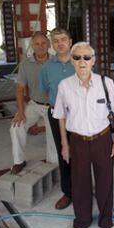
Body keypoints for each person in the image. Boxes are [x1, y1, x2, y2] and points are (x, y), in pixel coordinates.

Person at [53, 42, 114, 228]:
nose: (81, 61)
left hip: (102, 140)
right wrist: (65, 145)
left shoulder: (106, 83)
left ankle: (106, 221)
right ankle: (81, 220)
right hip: (77, 142)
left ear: (93, 60)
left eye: (86, 57)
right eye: (76, 57)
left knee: (105, 182)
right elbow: (60, 117)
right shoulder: (64, 86)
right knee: (80, 183)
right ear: (72, 61)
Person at [9, 31, 56, 174]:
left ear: (48, 44)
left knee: (54, 136)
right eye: (37, 44)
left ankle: (52, 164)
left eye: (43, 43)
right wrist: (21, 112)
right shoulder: (25, 64)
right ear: (32, 46)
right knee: (16, 127)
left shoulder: (57, 61)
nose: (40, 46)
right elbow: (19, 89)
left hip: (54, 106)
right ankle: (19, 161)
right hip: (35, 104)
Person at [40, 28, 75, 210]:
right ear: (52, 45)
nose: (60, 43)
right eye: (56, 40)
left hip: (79, 115)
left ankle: (83, 189)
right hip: (56, 114)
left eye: (63, 39)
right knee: (64, 153)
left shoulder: (80, 62)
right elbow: (47, 89)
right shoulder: (47, 67)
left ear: (70, 42)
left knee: (82, 153)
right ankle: (68, 192)